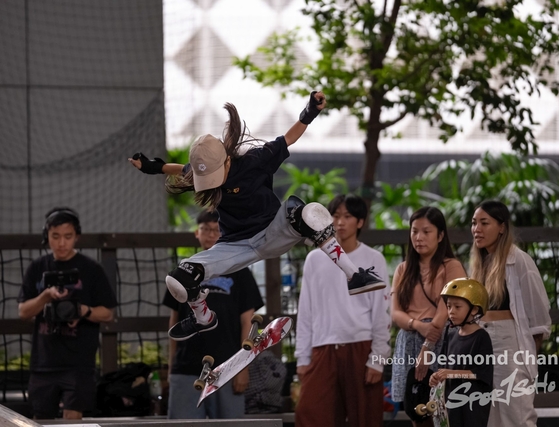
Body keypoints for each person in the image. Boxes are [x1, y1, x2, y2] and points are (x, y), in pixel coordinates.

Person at [130, 91, 384, 340]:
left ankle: (354, 275)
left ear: (227, 161)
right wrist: (153, 167)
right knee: (179, 278)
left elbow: (288, 138)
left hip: (275, 230)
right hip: (235, 245)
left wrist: (310, 112)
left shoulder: (256, 160)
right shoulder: (202, 170)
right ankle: (203, 318)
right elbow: (179, 169)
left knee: (309, 212)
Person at [294, 194, 391, 427]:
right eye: (335, 216)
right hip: (323, 349)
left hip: (361, 347)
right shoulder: (314, 259)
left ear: (360, 222)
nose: (340, 222)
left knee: (365, 418)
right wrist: (303, 357)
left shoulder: (374, 258)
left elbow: (382, 312)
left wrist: (377, 359)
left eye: (347, 216)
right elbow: (305, 311)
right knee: (311, 415)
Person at [17, 207, 117, 419]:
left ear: (77, 236)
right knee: (40, 420)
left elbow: (108, 313)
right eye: (55, 236)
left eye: (68, 236)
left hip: (79, 362)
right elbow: (23, 311)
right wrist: (45, 297)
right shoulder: (37, 268)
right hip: (44, 362)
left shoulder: (91, 269)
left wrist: (83, 311)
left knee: (73, 420)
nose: (61, 243)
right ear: (47, 236)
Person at [163, 210, 264, 419]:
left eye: (216, 230)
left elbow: (248, 323)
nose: (210, 234)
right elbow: (174, 321)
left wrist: (242, 367)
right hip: (186, 368)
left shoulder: (240, 271)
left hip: (228, 368)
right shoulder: (181, 273)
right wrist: (171, 368)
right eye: (205, 229)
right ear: (196, 233)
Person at [470, 200, 551, 427]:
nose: (477, 229)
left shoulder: (520, 260)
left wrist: (528, 358)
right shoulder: (479, 263)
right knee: (487, 414)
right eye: (474, 223)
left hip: (510, 343)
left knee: (516, 412)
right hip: (481, 343)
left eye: (484, 223)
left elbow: (539, 317)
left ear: (502, 227)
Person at [390, 206, 466, 427]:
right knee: (417, 409)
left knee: (443, 408)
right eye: (414, 231)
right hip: (409, 340)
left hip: (441, 340)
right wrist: (416, 325)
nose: (419, 237)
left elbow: (446, 309)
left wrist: (427, 348)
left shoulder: (451, 266)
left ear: (440, 235)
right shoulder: (403, 269)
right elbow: (395, 313)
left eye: (426, 231)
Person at [429, 277, 493, 427]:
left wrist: (451, 373)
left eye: (457, 307)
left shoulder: (482, 337)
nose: (451, 312)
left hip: (472, 405)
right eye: (449, 306)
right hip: (451, 402)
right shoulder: (449, 334)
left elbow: (482, 373)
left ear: (474, 310)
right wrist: (436, 376)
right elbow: (443, 366)